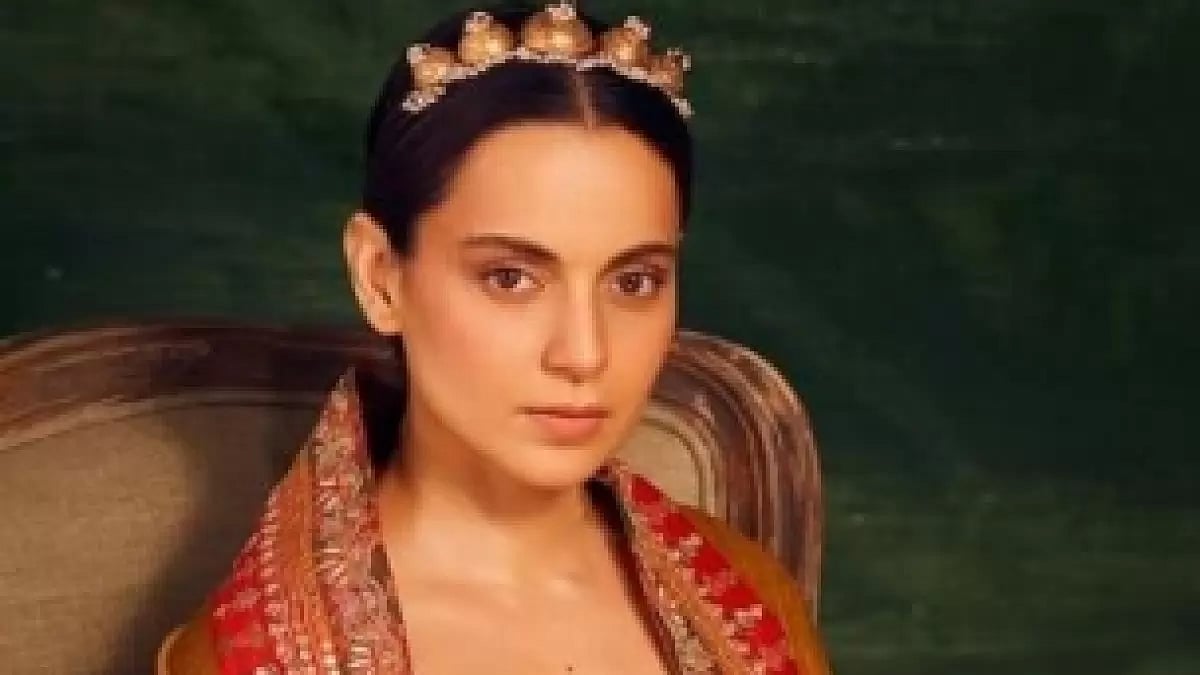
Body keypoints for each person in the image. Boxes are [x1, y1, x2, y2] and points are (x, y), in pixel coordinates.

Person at [157, 3, 830, 673]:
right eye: (510, 278)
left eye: (634, 282)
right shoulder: (251, 658)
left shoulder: (750, 595)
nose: (584, 353)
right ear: (380, 277)